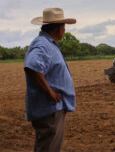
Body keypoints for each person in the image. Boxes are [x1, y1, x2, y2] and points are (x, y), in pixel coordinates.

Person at [24, 8, 76, 152]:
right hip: (50, 110)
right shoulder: (43, 44)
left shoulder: (48, 43)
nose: (64, 31)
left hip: (52, 109)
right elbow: (32, 66)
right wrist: (50, 93)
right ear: (58, 29)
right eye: (63, 27)